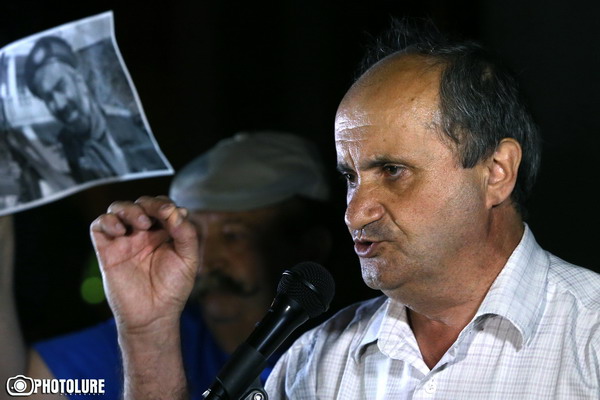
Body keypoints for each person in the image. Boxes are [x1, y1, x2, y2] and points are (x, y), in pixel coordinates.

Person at [92, 20, 600, 399]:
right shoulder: (317, 358)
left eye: (393, 171)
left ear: (496, 171)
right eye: (350, 178)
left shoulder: (589, 337)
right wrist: (148, 332)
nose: (355, 214)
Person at [3, 131, 332, 400]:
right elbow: (19, 389)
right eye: (195, 236)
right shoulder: (165, 328)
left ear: (311, 246)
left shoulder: (339, 356)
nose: (206, 261)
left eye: (233, 236)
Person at [24, 36, 166, 183]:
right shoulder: (66, 151)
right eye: (48, 98)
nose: (59, 104)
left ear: (79, 81)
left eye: (61, 87)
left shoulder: (130, 124)